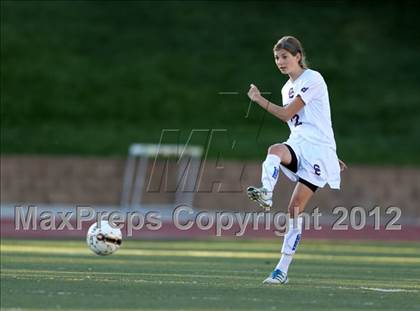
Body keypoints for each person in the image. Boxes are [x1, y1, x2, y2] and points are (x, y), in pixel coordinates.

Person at [247, 36, 347, 285]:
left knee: (294, 209)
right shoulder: (285, 88)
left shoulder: (313, 78)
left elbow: (287, 114)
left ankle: (282, 269)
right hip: (299, 144)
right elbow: (301, 124)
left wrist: (259, 99)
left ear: (298, 56)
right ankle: (267, 192)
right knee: (275, 150)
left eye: (285, 57)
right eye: (277, 58)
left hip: (318, 151)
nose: (280, 62)